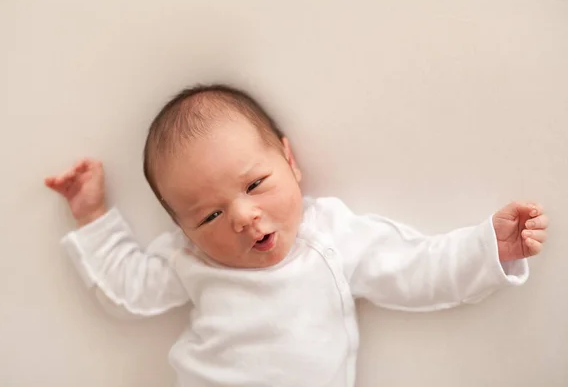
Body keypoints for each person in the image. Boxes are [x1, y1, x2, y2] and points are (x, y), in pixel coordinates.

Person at [45, 84, 549, 387]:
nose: (242, 216)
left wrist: (490, 248)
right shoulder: (189, 257)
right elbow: (128, 290)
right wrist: (93, 216)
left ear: (290, 162)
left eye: (255, 184)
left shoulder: (330, 236)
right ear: (184, 229)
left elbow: (416, 268)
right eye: (209, 217)